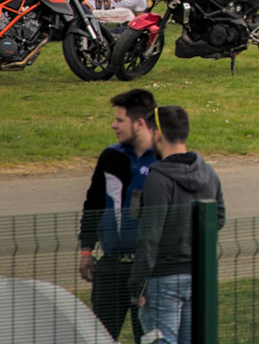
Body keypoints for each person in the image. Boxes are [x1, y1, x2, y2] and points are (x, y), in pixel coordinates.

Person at [129, 106, 225, 344]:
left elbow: (149, 236)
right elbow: (218, 217)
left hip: (163, 278)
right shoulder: (208, 172)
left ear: (158, 135)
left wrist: (137, 285)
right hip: (198, 274)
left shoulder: (158, 179)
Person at [79, 89, 160, 343]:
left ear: (140, 123)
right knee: (99, 337)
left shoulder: (164, 160)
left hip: (149, 270)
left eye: (119, 120)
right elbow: (93, 204)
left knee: (147, 338)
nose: (113, 125)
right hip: (111, 267)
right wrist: (86, 250)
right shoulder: (110, 156)